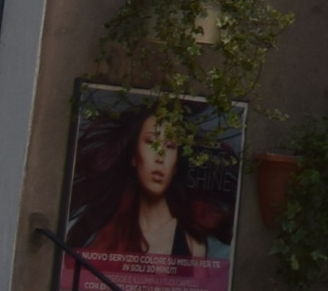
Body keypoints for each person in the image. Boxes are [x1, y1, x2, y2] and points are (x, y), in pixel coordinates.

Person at [64, 99, 232, 273]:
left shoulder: (190, 239)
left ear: (175, 165)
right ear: (134, 157)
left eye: (170, 146)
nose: (160, 156)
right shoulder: (109, 233)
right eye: (151, 142)